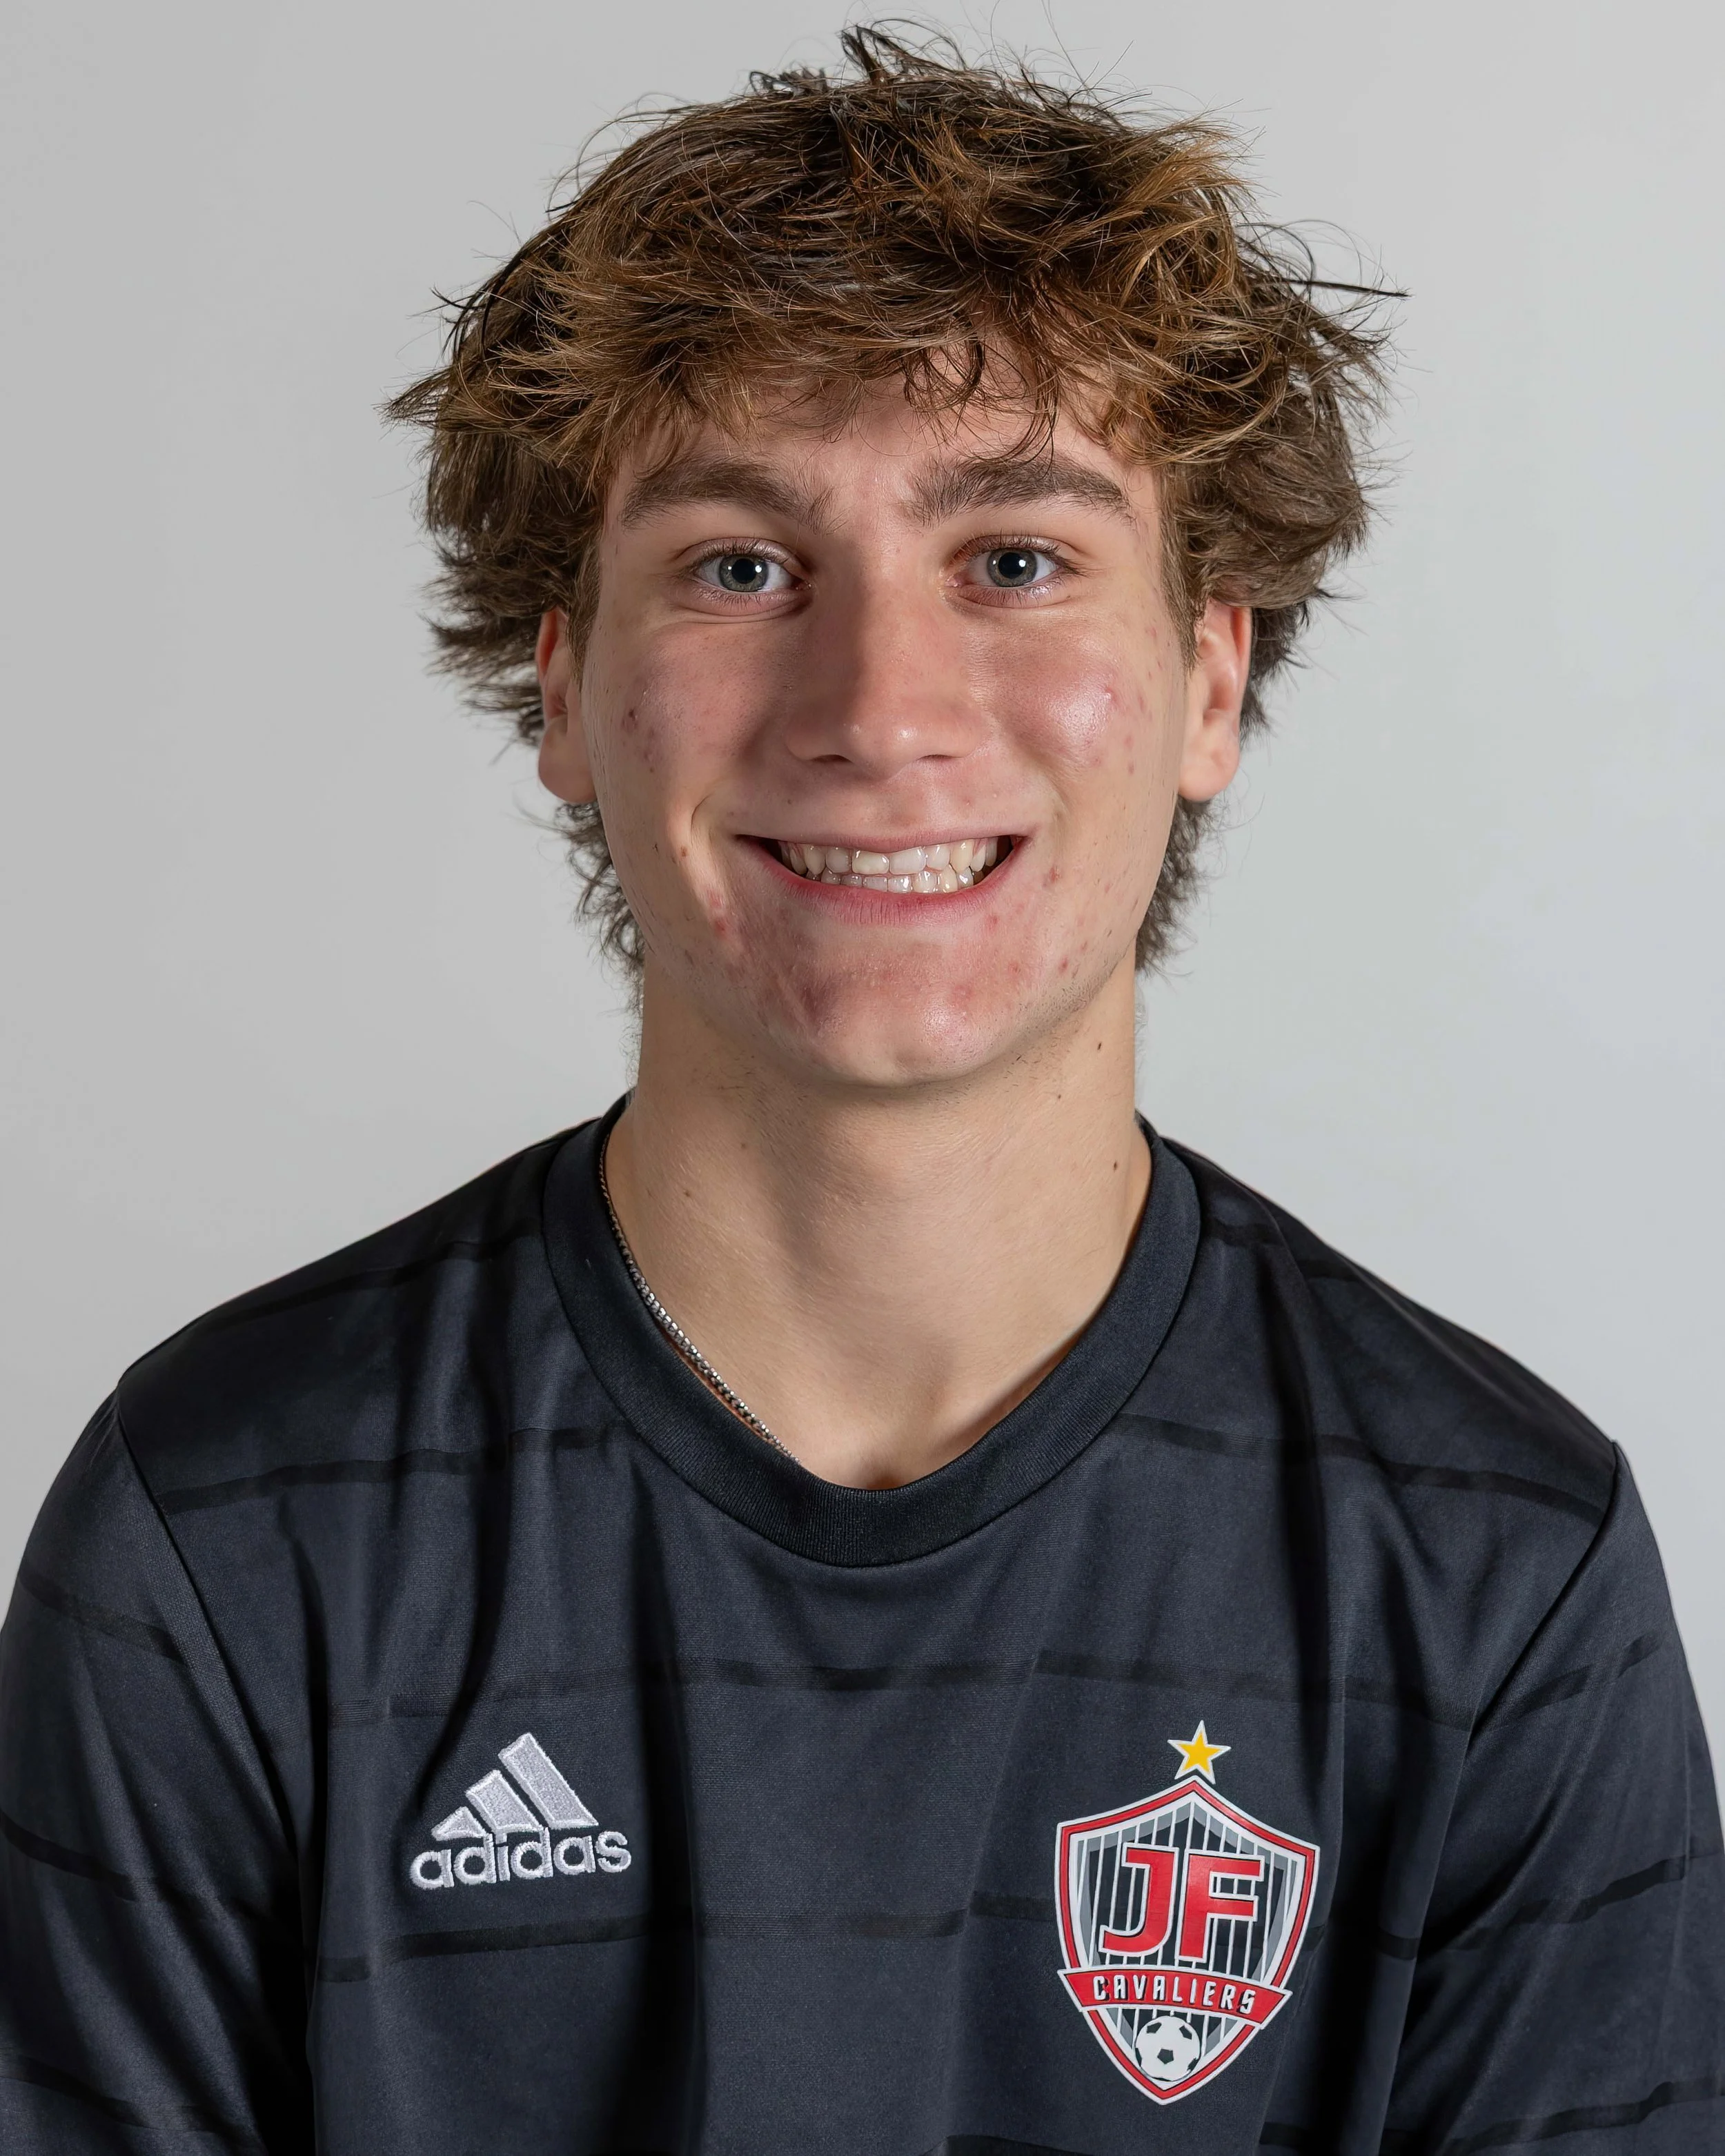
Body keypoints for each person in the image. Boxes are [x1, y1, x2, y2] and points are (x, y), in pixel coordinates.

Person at [1, 28, 1718, 2155]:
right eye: (740, 564)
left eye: (1013, 559)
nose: (879, 709)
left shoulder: (1492, 1569)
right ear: (563, 685)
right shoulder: (226, 1530)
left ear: (1208, 675)